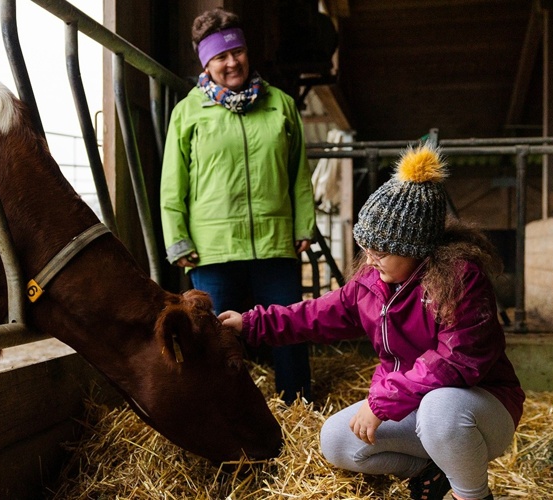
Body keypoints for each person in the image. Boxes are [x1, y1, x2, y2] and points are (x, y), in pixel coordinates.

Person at [220, 143, 525, 500]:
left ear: (418, 247)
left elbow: (457, 360)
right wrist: (251, 323)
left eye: (382, 251)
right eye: (367, 247)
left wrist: (381, 401)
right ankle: (430, 471)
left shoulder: (460, 279)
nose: (371, 259)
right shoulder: (372, 283)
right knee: (336, 440)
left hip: (479, 408)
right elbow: (316, 315)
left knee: (439, 407)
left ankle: (472, 494)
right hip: (410, 405)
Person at [159, 8, 316, 405]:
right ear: (206, 64)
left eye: (238, 52)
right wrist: (177, 239)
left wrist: (303, 226)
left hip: (274, 238)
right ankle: (226, 412)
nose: (232, 63)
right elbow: (172, 183)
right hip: (212, 248)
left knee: (289, 329)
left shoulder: (280, 105)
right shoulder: (188, 112)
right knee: (215, 339)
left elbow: (298, 172)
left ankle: (297, 406)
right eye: (220, 57)